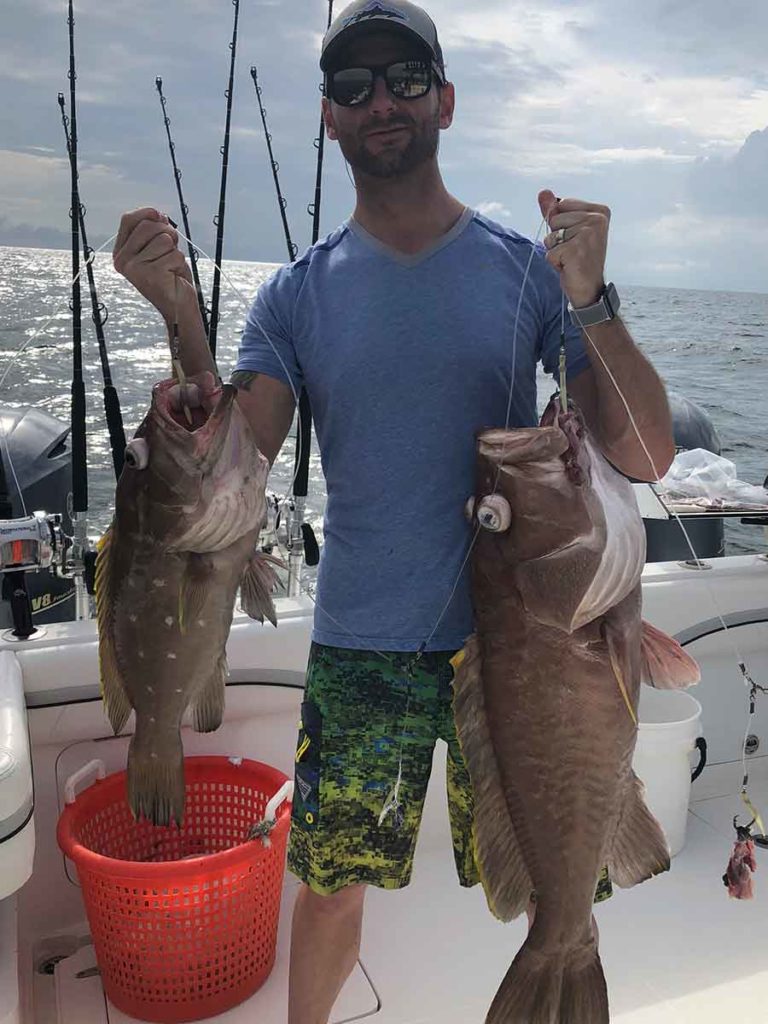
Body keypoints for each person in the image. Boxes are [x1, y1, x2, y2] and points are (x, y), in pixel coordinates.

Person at [112, 2, 675, 1021]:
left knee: (559, 874)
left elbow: (643, 451)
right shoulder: (294, 296)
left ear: (446, 100)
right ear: (329, 116)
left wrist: (592, 300)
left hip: (522, 642)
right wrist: (181, 317)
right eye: (354, 84)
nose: (382, 99)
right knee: (330, 886)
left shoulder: (524, 272)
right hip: (362, 642)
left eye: (406, 76)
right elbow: (233, 468)